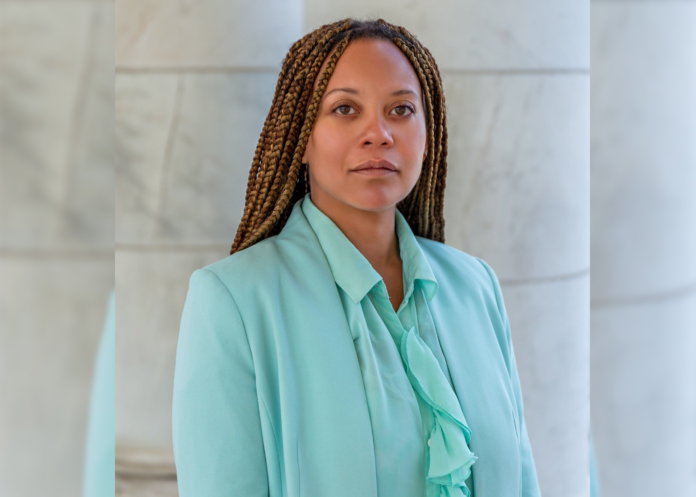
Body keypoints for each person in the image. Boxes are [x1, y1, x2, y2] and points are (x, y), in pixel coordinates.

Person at [172, 18, 541, 497]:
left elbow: (523, 478)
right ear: (301, 137)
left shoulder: (476, 286)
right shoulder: (234, 302)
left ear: (430, 135)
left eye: (401, 109)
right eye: (345, 108)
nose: (379, 133)